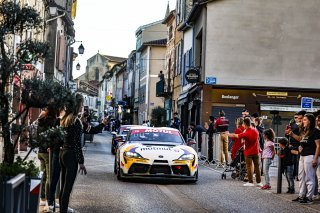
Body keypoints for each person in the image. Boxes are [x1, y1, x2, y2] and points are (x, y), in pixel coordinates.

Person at [59, 94, 87, 213]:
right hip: (71, 155)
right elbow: (77, 144)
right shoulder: (76, 122)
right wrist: (81, 162)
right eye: (82, 105)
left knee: (63, 186)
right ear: (79, 105)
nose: (82, 107)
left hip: (63, 153)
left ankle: (62, 209)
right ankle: (63, 211)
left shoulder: (65, 119)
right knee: (67, 187)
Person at [289, 113, 320, 204]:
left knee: (309, 177)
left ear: (310, 121)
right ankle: (301, 195)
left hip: (310, 156)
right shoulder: (306, 131)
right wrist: (291, 134)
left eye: (305, 120)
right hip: (303, 156)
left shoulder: (316, 131)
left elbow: (318, 146)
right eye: (303, 119)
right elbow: (301, 140)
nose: (303, 121)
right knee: (301, 177)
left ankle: (309, 197)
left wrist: (315, 158)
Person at [226, 117, 262, 187]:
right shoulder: (255, 131)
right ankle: (259, 182)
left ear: (245, 124)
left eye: (243, 124)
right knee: (257, 167)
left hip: (248, 152)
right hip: (256, 151)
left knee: (249, 167)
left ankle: (250, 182)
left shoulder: (246, 133)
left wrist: (227, 134)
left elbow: (235, 136)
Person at [37, 106, 59, 207]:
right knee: (50, 177)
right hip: (48, 152)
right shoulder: (52, 120)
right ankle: (48, 200)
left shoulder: (41, 119)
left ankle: (42, 199)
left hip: (40, 151)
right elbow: (53, 136)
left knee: (43, 175)